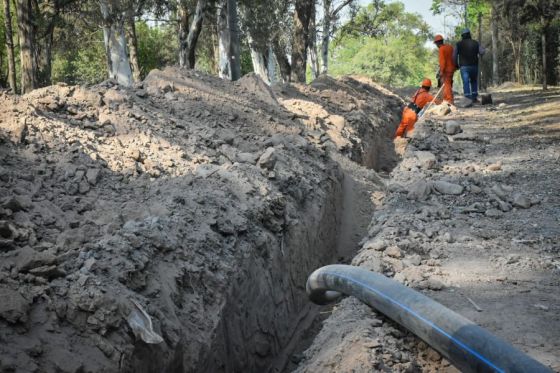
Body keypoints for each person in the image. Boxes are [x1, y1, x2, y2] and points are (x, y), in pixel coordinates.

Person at [454, 28, 485, 104]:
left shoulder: (458, 44)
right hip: (474, 66)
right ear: (469, 35)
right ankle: (474, 98)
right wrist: (484, 49)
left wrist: (456, 64)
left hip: (464, 67)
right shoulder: (475, 43)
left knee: (466, 82)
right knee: (474, 81)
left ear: (462, 36)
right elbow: (482, 52)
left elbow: (454, 56)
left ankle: (467, 99)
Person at [434, 34, 457, 104]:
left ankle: (449, 100)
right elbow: (454, 57)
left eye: (436, 44)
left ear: (437, 43)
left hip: (446, 70)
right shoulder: (450, 47)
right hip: (452, 69)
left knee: (446, 85)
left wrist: (441, 71)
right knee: (449, 84)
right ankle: (448, 98)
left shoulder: (441, 49)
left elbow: (442, 61)